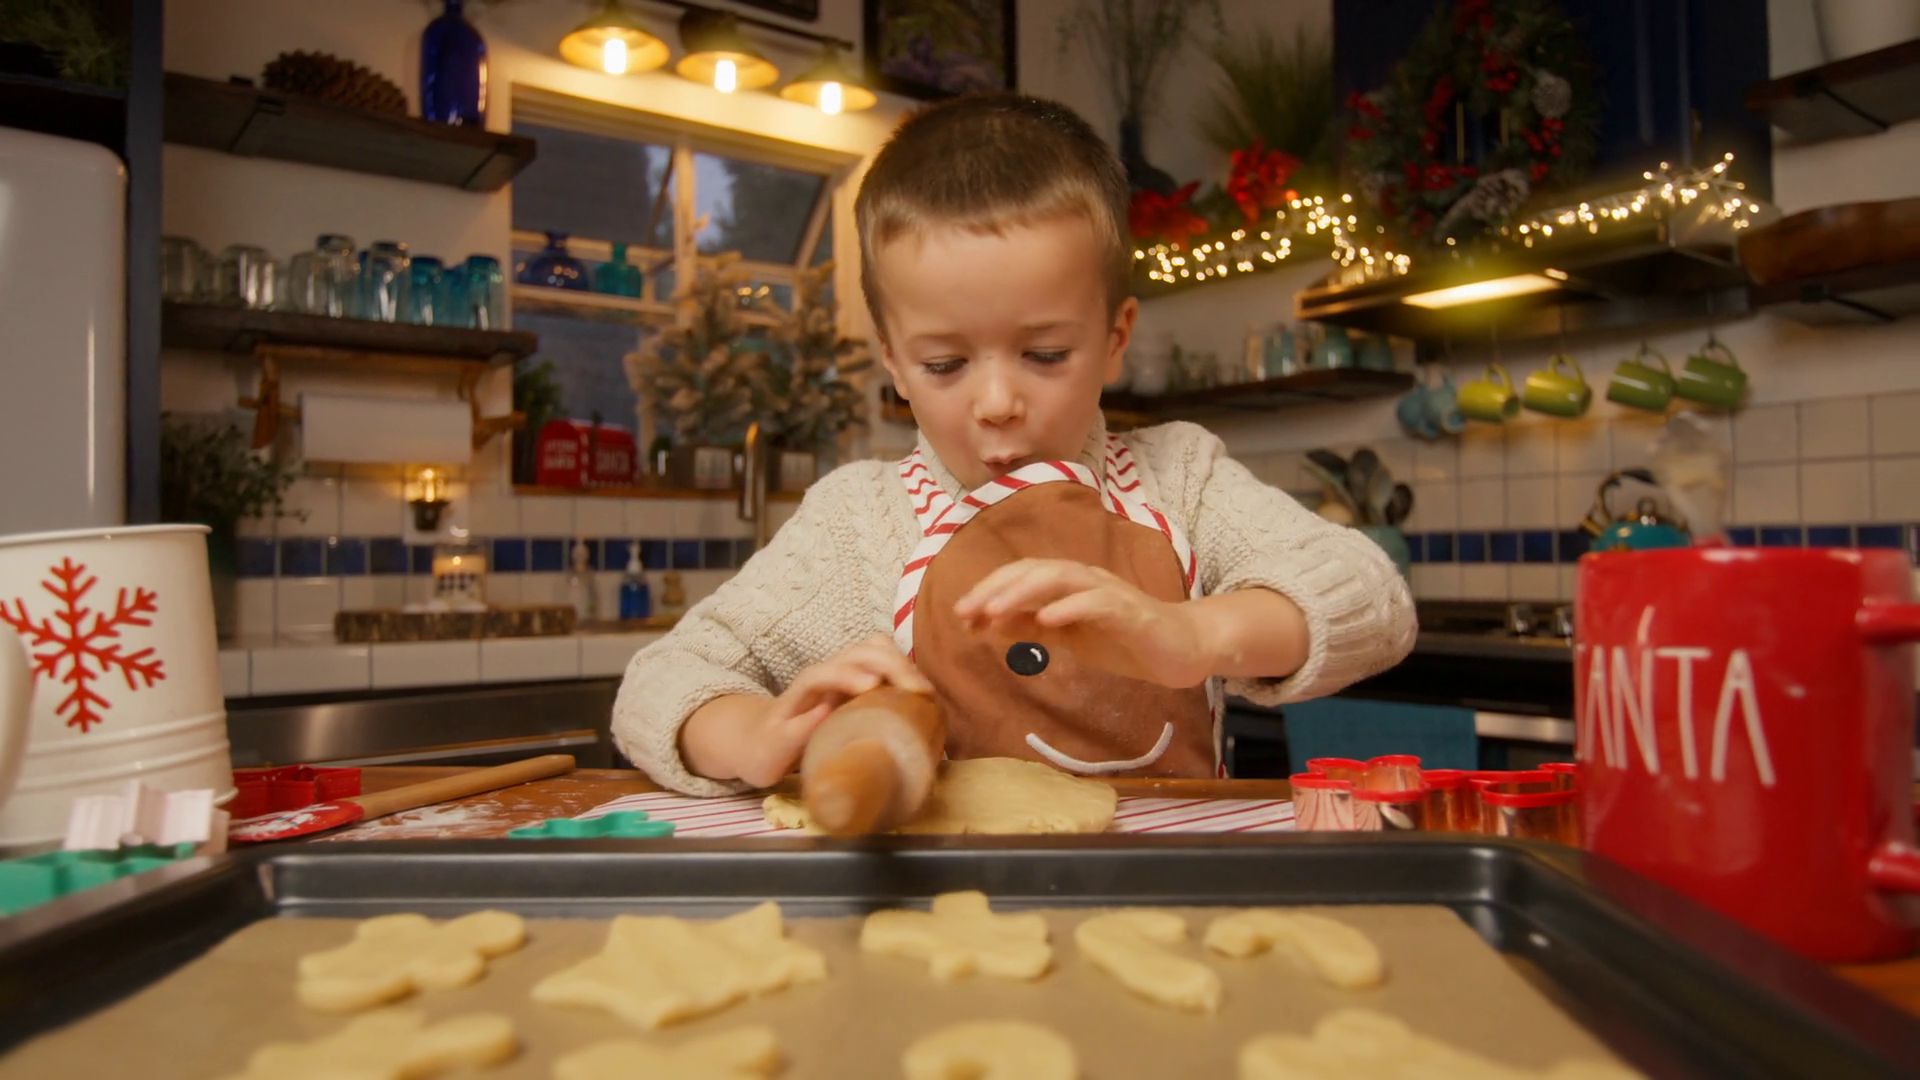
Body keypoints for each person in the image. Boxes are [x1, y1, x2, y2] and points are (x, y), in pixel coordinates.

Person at [613, 93, 1416, 796]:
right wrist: (753, 733)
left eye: (1045, 354)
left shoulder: (1181, 478)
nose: (997, 404)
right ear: (893, 361)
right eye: (944, 365)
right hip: (950, 907)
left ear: (1115, 338)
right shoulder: (855, 525)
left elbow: (1373, 600)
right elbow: (662, 683)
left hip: (1170, 893)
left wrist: (1194, 636)